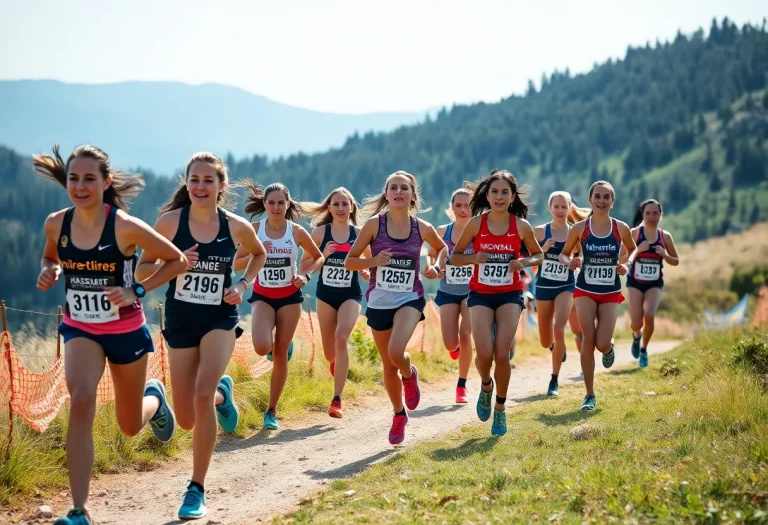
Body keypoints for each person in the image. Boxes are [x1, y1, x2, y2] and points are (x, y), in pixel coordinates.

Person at [34, 145, 187, 525]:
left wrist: (135, 290)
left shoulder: (124, 226)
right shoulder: (57, 223)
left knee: (129, 425)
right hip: (80, 327)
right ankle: (79, 510)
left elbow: (177, 261)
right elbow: (51, 255)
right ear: (66, 181)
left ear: (106, 182)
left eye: (89, 178)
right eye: (74, 178)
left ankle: (153, 399)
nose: (80, 186)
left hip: (126, 331)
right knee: (82, 401)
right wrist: (50, 269)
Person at [136, 153, 267, 520]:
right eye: (195, 179)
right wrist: (176, 263)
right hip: (180, 318)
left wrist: (242, 284)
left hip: (219, 317)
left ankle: (196, 488)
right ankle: (208, 395)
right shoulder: (169, 223)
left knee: (201, 393)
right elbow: (144, 266)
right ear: (186, 182)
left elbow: (258, 254)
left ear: (221, 187)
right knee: (189, 417)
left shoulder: (236, 226)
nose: (200, 186)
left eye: (209, 181)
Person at [345, 171, 447, 445]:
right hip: (378, 301)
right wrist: (374, 261)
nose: (399, 192)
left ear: (413, 195)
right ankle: (398, 414)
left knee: (394, 352)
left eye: (404, 188)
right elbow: (350, 262)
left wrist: (436, 266)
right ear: (386, 194)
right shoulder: (373, 225)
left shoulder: (421, 227)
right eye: (393, 188)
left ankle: (409, 373)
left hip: (409, 298)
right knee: (388, 366)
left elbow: (442, 248)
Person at [451, 169, 543, 436]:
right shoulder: (476, 224)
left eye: (505, 192)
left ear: (513, 196)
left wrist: (523, 262)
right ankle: (486, 386)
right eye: (494, 192)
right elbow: (455, 257)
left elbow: (539, 256)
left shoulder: (521, 226)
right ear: (486, 195)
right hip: (480, 294)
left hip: (509, 294)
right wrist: (473, 258)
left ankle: (500, 410)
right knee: (484, 354)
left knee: (502, 353)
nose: (499, 197)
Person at [235, 181, 324, 431]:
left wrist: (305, 276)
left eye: (280, 203)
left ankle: (271, 410)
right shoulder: (253, 230)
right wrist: (257, 252)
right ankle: (279, 347)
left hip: (289, 297)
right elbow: (236, 263)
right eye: (271, 202)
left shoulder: (295, 231)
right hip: (263, 296)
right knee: (263, 347)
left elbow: (318, 256)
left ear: (287, 205)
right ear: (264, 204)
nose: (276, 207)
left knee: (280, 356)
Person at [559, 180, 636, 412]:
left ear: (613, 201)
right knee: (587, 338)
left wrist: (628, 264)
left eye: (606, 197)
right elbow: (563, 255)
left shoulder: (620, 228)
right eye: (598, 197)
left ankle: (609, 347)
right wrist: (570, 261)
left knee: (602, 343)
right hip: (585, 290)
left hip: (610, 290)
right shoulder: (579, 229)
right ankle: (589, 394)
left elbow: (632, 249)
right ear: (590, 199)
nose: (601, 201)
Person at [302, 187, 371, 418]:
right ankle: (335, 363)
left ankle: (337, 399)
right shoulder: (320, 233)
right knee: (330, 353)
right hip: (326, 295)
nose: (341, 208)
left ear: (352, 207)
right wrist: (325, 256)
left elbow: (367, 263)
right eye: (336, 204)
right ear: (329, 208)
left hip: (351, 294)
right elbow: (304, 265)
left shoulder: (360, 233)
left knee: (341, 337)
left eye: (345, 204)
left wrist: (365, 272)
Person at [533, 191, 588, 396]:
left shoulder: (576, 231)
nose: (560, 210)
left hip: (566, 285)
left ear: (569, 208)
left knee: (559, 327)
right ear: (550, 208)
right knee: (546, 341)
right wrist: (542, 249)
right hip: (543, 287)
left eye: (563, 207)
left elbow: (582, 255)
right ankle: (557, 348)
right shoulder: (539, 232)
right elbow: (528, 257)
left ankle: (554, 380)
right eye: (556, 207)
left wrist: (579, 261)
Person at [428, 188, 474, 403]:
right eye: (459, 205)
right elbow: (432, 255)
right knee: (450, 342)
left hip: (473, 292)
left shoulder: (479, 231)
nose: (463, 210)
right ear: (452, 208)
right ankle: (454, 348)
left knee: (466, 334)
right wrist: (435, 268)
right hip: (447, 291)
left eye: (467, 205)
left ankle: (461, 385)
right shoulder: (442, 231)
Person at [626, 199, 679, 367]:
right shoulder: (634, 233)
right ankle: (636, 336)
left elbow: (676, 261)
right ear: (642, 215)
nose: (651, 216)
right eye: (648, 213)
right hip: (635, 282)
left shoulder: (665, 236)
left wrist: (664, 254)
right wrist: (637, 250)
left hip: (654, 283)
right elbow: (621, 258)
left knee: (649, 315)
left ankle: (643, 350)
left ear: (661, 215)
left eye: (655, 212)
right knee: (636, 322)